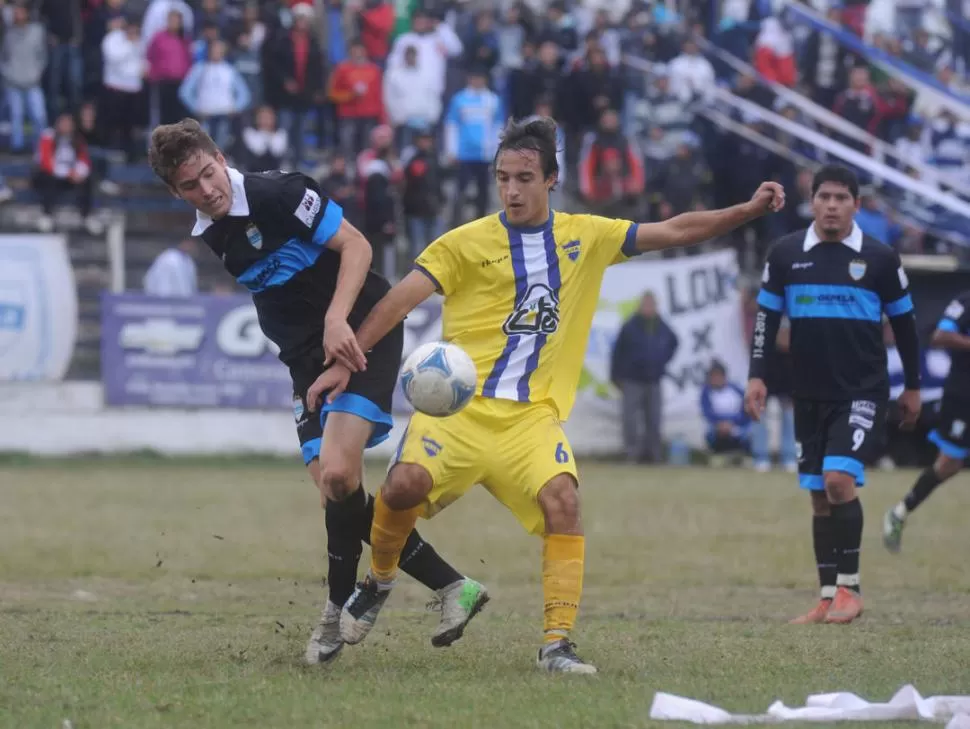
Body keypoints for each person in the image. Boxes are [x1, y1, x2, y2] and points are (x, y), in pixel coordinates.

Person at [307, 117, 785, 673]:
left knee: (565, 500)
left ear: (551, 179)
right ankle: (381, 579)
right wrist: (347, 361)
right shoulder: (463, 243)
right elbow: (396, 305)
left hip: (530, 418)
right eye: (503, 177)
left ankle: (557, 643)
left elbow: (675, 230)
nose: (511, 190)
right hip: (457, 411)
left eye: (524, 178)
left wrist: (746, 211)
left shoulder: (588, 235)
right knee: (402, 484)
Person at [146, 118, 486, 667]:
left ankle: (338, 608)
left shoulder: (280, 191)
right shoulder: (210, 231)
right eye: (191, 185)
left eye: (209, 173)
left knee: (335, 474)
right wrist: (308, 356)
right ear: (176, 191)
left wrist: (336, 321)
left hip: (359, 335)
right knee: (337, 490)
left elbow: (356, 246)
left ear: (219, 155)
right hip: (306, 362)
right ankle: (453, 586)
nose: (207, 189)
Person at [744, 164, 922, 626]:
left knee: (839, 481)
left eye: (841, 198)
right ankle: (827, 595)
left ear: (856, 206)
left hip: (861, 391)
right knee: (819, 497)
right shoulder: (786, 255)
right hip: (808, 394)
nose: (831, 206)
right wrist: (757, 376)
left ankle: (851, 589)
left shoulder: (880, 259)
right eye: (824, 197)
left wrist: (914, 387)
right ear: (812, 202)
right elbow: (765, 322)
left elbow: (905, 327)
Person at [883, 291, 970, 552]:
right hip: (963, 395)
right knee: (949, 462)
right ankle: (899, 511)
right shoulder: (964, 301)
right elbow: (940, 336)